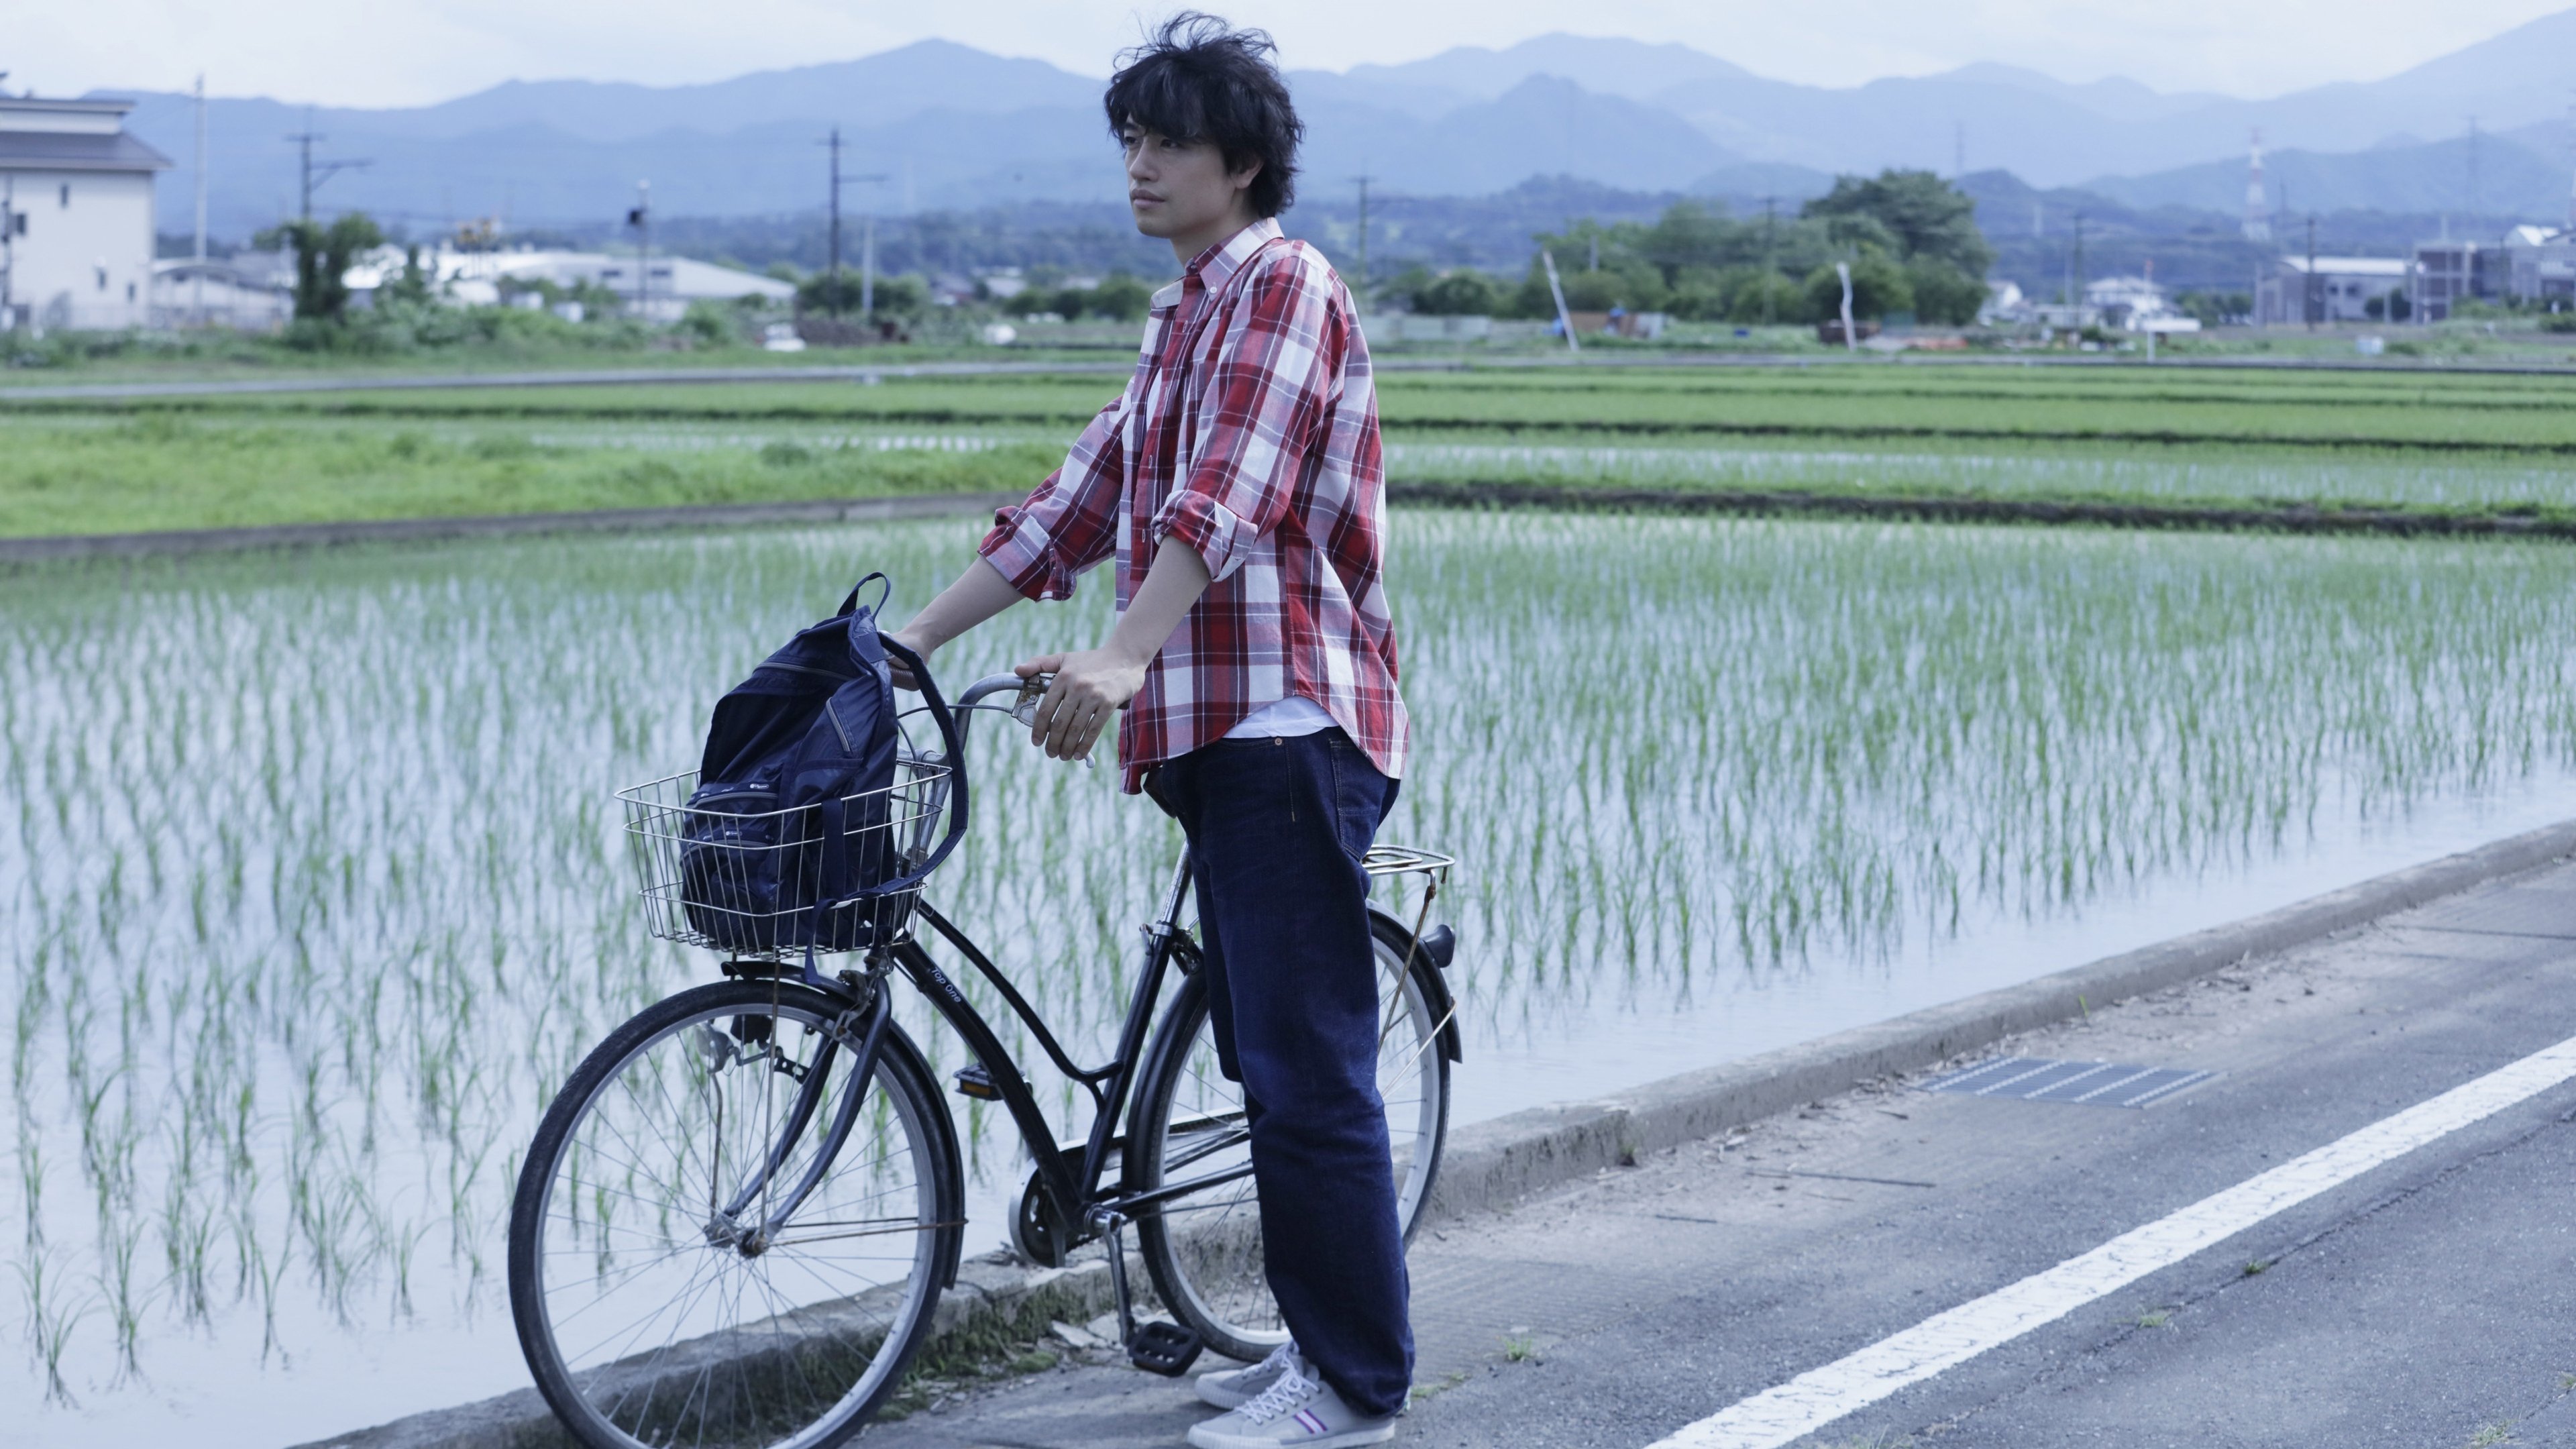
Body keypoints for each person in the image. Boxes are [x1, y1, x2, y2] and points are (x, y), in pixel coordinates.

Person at [885, 13, 1412, 1449]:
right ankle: (1311, 1341)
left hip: (1289, 720)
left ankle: (1355, 1386)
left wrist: (1122, 652)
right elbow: (1081, 499)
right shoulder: (1183, 315)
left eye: (1168, 139)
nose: (1141, 164)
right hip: (1210, 729)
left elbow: (1227, 493)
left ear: (1240, 161)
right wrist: (909, 641)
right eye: (1128, 138)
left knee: (1305, 1073)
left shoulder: (1285, 288)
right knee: (1264, 1059)